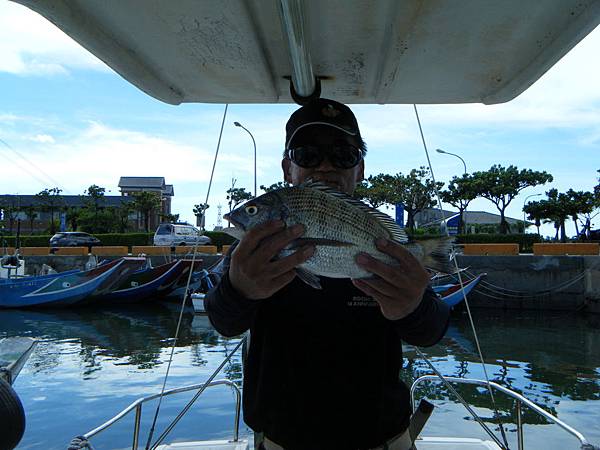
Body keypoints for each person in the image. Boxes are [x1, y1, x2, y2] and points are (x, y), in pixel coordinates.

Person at [205, 98, 450, 450]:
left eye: (343, 155)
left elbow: (432, 331)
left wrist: (413, 307)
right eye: (306, 155)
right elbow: (223, 321)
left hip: (382, 439)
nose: (324, 167)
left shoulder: (382, 243)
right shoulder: (254, 251)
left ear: (359, 168)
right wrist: (237, 289)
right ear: (287, 168)